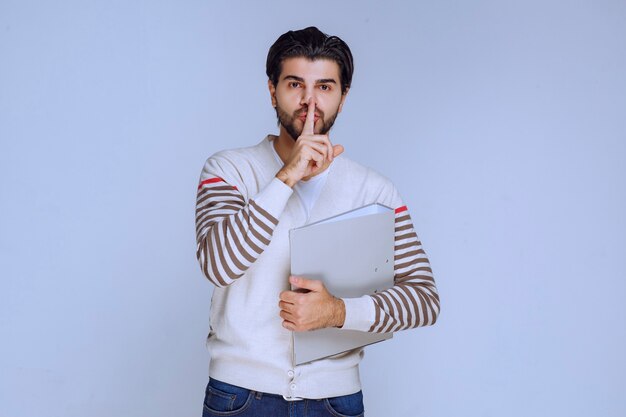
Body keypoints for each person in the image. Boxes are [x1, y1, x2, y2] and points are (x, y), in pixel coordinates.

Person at [195, 26, 440, 417]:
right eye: (295, 84)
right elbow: (219, 265)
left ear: (343, 98)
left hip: (335, 401)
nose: (310, 102)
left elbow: (424, 300)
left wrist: (338, 312)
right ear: (272, 91)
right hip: (240, 397)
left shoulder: (374, 190)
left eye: (325, 87)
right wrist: (286, 177)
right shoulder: (229, 170)